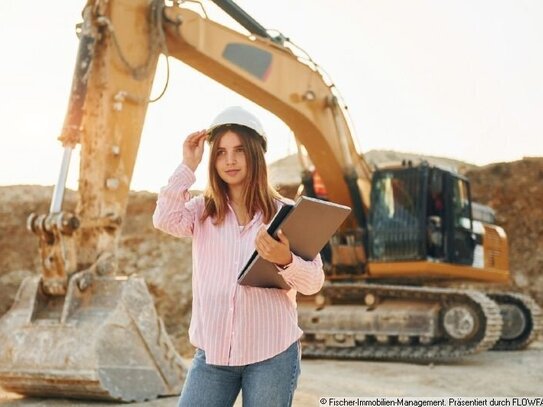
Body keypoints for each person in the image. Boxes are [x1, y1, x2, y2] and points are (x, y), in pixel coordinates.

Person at [152, 106, 325, 407]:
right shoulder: (201, 211)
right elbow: (164, 219)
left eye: (239, 150)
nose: (229, 160)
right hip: (214, 355)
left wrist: (286, 259)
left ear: (256, 154)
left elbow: (313, 282)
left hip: (272, 356)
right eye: (220, 152)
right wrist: (187, 166)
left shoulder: (286, 214)